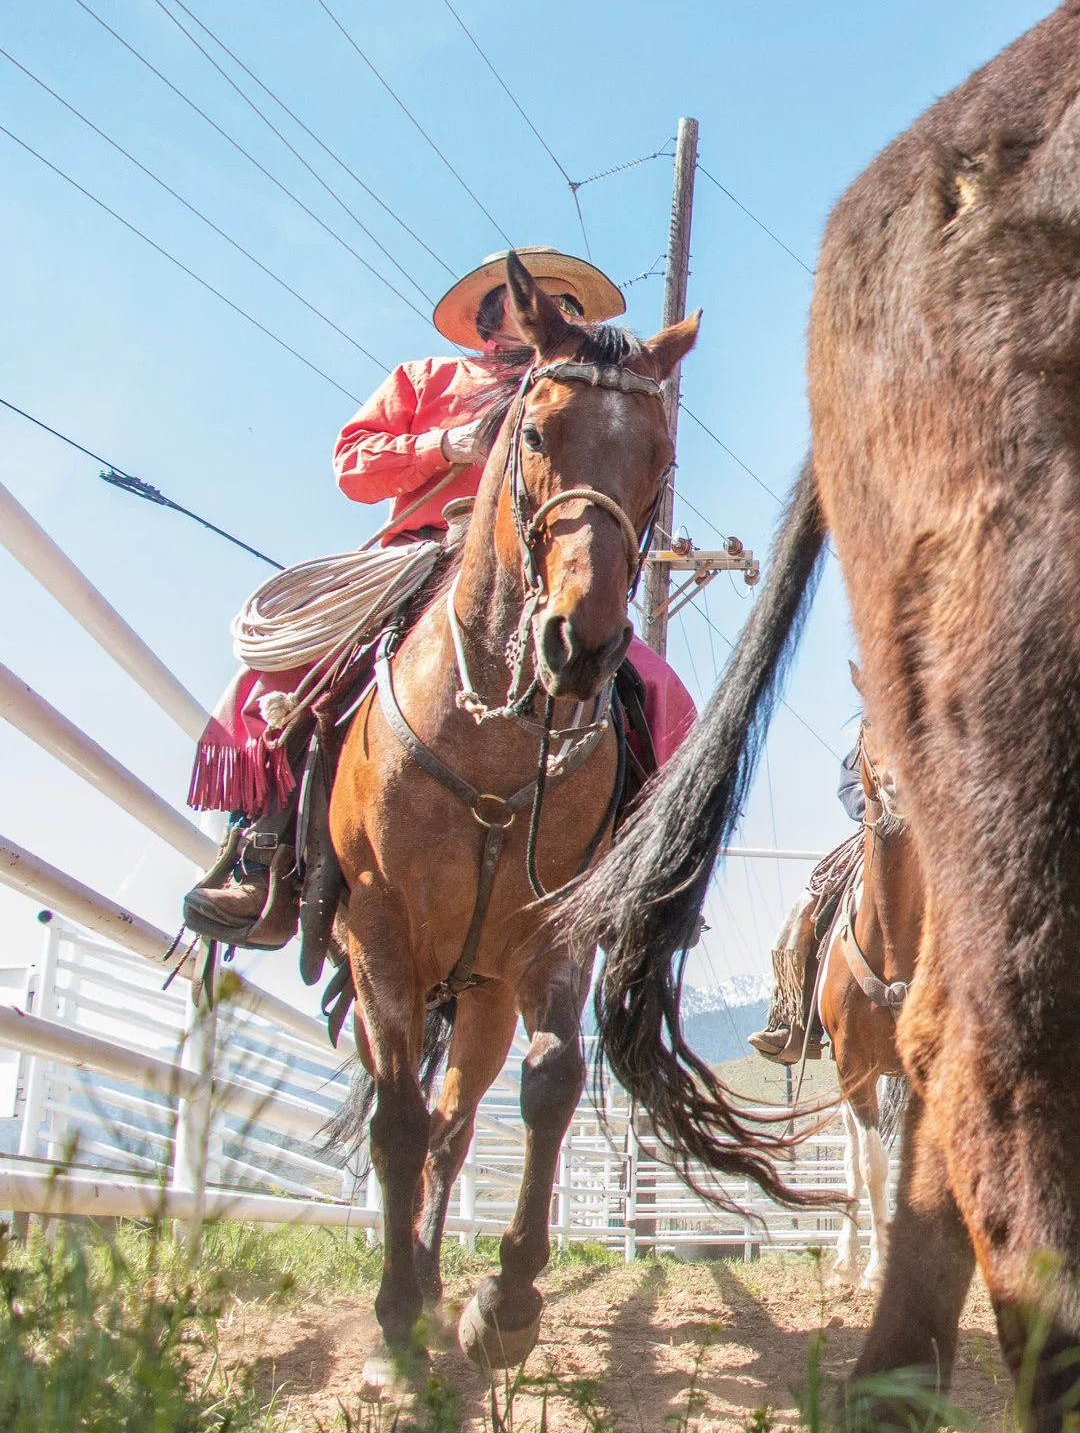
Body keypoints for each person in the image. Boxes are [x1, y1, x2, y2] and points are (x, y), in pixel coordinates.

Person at [183, 248, 698, 946]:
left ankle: (644, 880)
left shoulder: (586, 390)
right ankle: (265, 851)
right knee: (289, 669)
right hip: (421, 557)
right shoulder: (426, 379)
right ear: (499, 315)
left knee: (664, 696)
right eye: (546, 303)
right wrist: (443, 443)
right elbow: (352, 465)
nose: (562, 316)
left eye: (572, 308)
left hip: (540, 574)